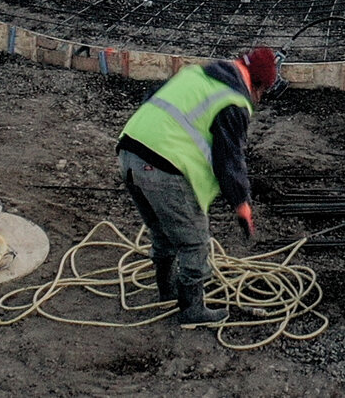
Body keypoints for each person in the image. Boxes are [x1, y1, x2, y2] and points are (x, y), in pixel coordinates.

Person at [116, 45, 277, 326]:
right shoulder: (233, 102)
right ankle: (192, 310)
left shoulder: (195, 74)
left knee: (162, 230)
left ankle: (166, 291)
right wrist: (242, 205)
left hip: (129, 152)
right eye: (262, 93)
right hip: (163, 167)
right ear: (258, 85)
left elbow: (152, 101)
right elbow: (229, 159)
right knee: (194, 242)